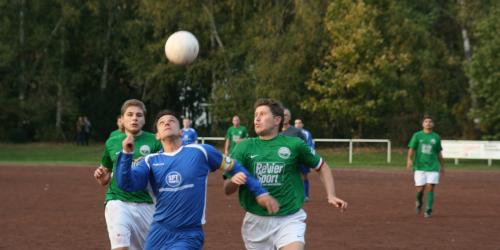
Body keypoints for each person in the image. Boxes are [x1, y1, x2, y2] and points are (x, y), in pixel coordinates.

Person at [114, 110, 280, 249]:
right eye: (162, 122)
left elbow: (235, 167)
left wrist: (260, 192)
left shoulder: (201, 151)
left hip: (188, 234)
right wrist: (127, 154)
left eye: (171, 120)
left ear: (181, 131)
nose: (166, 123)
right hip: (158, 231)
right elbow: (126, 184)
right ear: (157, 135)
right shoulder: (150, 161)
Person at [223, 98, 347, 250]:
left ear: (277, 120)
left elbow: (322, 166)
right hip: (256, 222)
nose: (257, 118)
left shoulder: (294, 144)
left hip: (290, 218)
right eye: (255, 114)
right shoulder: (243, 147)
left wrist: (331, 195)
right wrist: (234, 181)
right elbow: (227, 189)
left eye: (262, 114)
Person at [93, 99, 162, 250]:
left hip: (147, 203)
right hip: (117, 201)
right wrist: (102, 176)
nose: (134, 118)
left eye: (139, 115)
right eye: (129, 115)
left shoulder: (155, 141)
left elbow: (162, 173)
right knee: (121, 246)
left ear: (144, 120)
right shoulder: (112, 142)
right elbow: (105, 174)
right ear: (122, 119)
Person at [406, 115, 445, 218]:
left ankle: (428, 209)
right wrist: (409, 159)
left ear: (433, 124)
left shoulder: (436, 137)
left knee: (430, 187)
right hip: (419, 166)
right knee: (420, 189)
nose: (428, 123)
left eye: (430, 121)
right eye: (426, 121)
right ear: (422, 124)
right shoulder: (417, 135)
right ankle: (419, 201)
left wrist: (442, 165)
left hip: (433, 167)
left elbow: (439, 152)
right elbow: (411, 149)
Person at [294, 118, 315, 201]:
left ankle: (306, 195)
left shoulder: (306, 133)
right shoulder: (292, 132)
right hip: (294, 158)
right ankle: (295, 195)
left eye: (299, 123)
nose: (298, 124)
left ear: (302, 125)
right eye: (296, 123)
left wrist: (307, 156)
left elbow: (310, 145)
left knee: (304, 177)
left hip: (303, 158)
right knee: (293, 176)